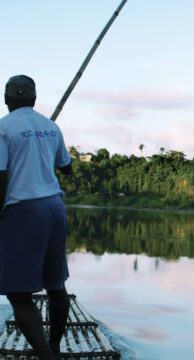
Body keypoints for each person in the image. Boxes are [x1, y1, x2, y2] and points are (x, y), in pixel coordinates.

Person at [0, 75, 72, 359]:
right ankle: (53, 346)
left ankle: (47, 357)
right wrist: (44, 145)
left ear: (7, 99)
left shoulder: (4, 127)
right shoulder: (51, 127)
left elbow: (1, 176)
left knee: (18, 294)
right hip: (55, 208)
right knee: (56, 285)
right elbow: (66, 168)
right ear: (33, 99)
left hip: (25, 210)